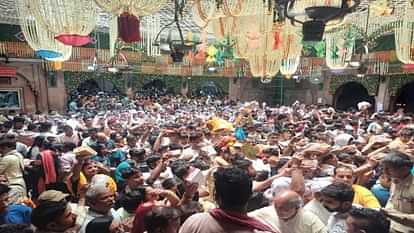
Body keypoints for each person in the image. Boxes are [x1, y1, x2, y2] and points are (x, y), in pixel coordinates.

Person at [179, 167, 276, 233]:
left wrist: (187, 196)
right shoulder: (261, 230)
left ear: (216, 197)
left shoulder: (195, 222)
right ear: (249, 196)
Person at [249, 189, 327, 233]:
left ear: (297, 208)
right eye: (277, 207)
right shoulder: (267, 211)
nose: (279, 212)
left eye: (285, 209)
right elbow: (246, 218)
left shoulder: (310, 220)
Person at [382, 151, 414, 233]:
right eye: (384, 168)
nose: (385, 172)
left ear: (404, 169)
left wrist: (392, 215)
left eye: (388, 169)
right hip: (392, 226)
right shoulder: (395, 180)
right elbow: (391, 200)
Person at [0, 133, 26, 202]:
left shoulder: (8, 158)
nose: (1, 151)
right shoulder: (18, 155)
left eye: (2, 149)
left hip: (13, 186)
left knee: (9, 209)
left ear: (7, 147)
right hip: (20, 184)